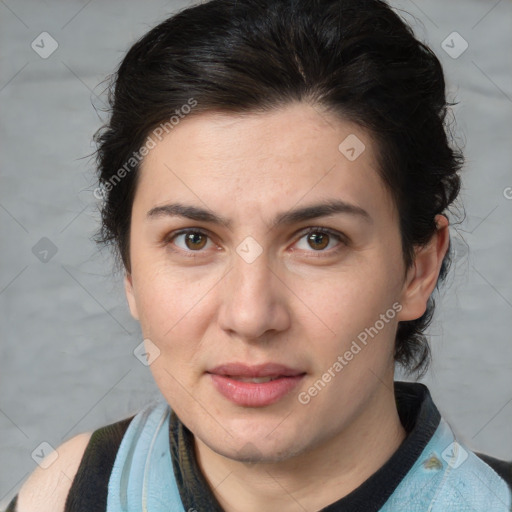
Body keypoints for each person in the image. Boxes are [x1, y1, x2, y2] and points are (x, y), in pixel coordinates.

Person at [7, 0, 512, 510]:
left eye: (318, 239)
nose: (250, 316)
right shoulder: (62, 493)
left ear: (417, 271)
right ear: (131, 271)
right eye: (193, 239)